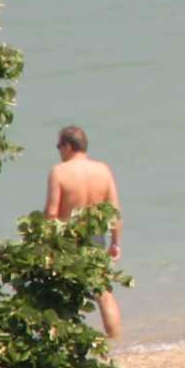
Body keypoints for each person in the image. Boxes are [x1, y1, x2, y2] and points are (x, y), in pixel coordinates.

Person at [44, 125, 124, 341]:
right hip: (95, 237)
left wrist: (46, 245)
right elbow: (114, 211)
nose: (58, 150)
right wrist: (115, 243)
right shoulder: (103, 170)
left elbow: (51, 213)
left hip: (67, 238)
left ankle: (66, 342)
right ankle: (116, 340)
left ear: (68, 146)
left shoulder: (59, 172)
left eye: (59, 146)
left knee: (64, 293)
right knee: (104, 293)